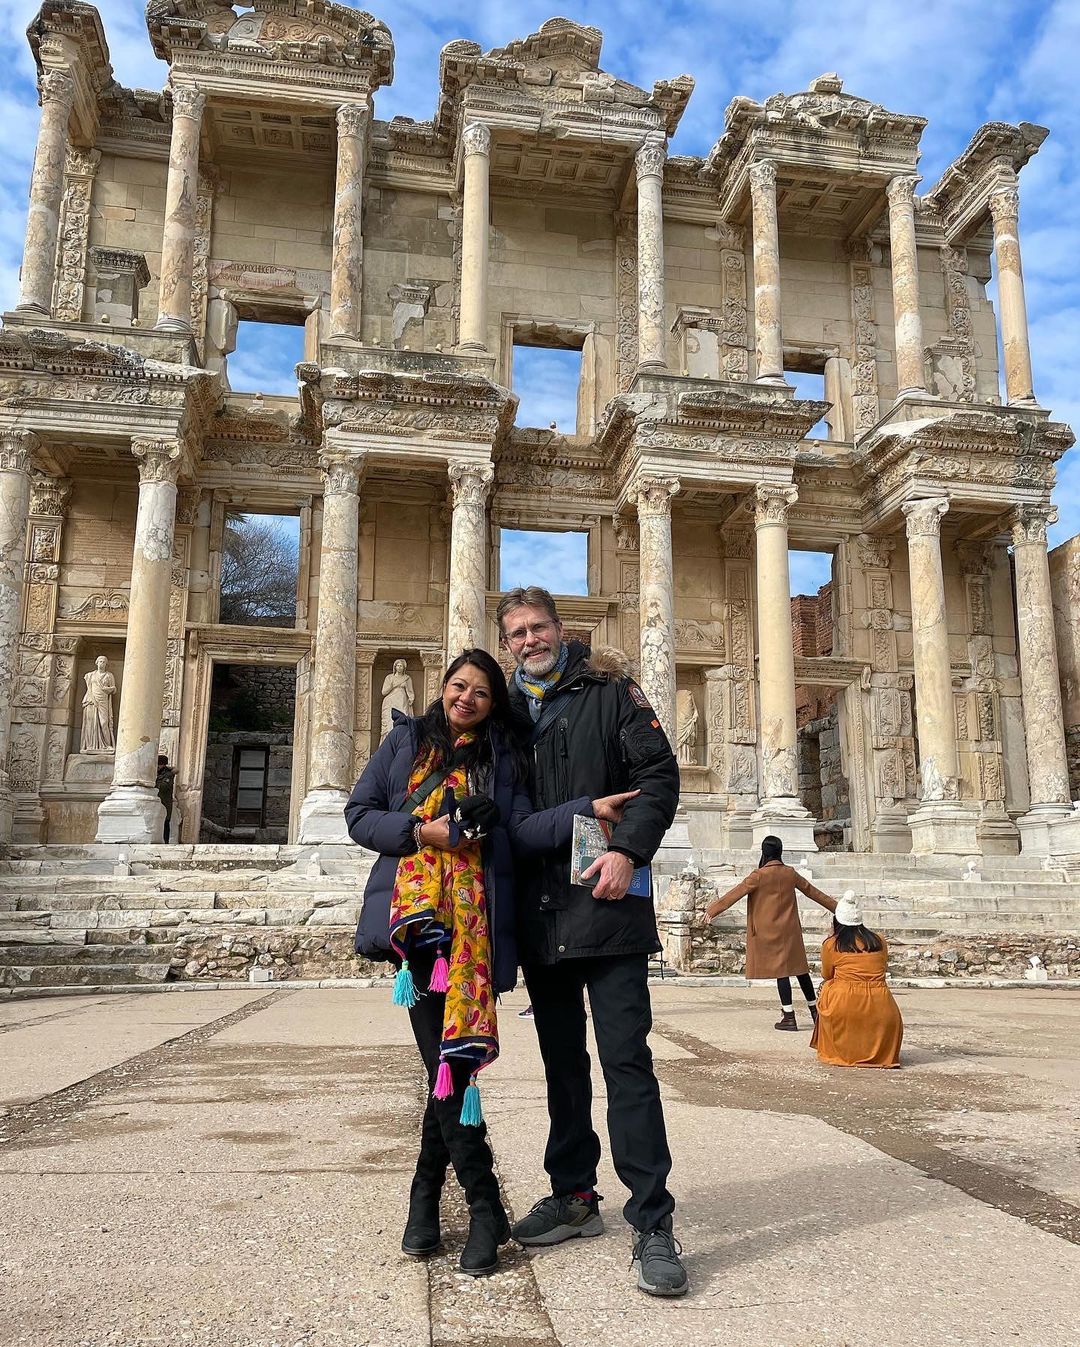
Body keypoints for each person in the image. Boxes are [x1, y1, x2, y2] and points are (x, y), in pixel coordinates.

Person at [344, 648, 636, 1278]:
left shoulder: (505, 755)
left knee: (444, 1069)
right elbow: (359, 816)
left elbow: (523, 830)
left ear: (493, 702)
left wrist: (579, 808)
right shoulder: (404, 743)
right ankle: (484, 1206)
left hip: (475, 927)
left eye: (480, 691)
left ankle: (425, 1201)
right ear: (442, 687)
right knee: (447, 1066)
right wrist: (422, 834)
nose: (467, 698)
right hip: (417, 927)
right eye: (458, 686)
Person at [496, 585, 687, 1299]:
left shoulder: (612, 692)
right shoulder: (504, 711)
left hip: (607, 909)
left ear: (560, 628)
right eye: (517, 632)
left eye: (538, 627)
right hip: (542, 914)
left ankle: (653, 1221)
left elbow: (658, 776)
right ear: (507, 643)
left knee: (627, 1063)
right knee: (562, 1066)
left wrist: (629, 852)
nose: (530, 640)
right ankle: (574, 1194)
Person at [704, 834, 837, 1030]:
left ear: (764, 853)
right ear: (780, 852)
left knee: (781, 972)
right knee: (800, 970)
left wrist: (712, 910)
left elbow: (735, 894)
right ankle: (815, 1012)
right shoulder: (790, 873)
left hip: (769, 931)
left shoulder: (759, 875)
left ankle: (789, 1016)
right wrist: (838, 908)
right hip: (790, 930)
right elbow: (813, 892)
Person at [811, 890, 903, 1068]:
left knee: (826, 986)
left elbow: (827, 975)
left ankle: (841, 1047)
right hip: (882, 1006)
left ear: (837, 921)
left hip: (844, 1003)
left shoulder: (831, 944)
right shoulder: (879, 940)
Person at [80, 655, 116, 753]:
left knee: (104, 723)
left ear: (106, 664)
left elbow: (114, 689)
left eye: (104, 662)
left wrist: (107, 689)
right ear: (96, 663)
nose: (102, 663)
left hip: (103, 701)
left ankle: (107, 745)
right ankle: (90, 745)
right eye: (100, 661)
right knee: (90, 723)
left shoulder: (109, 675)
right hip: (91, 700)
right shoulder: (90, 675)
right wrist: (93, 699)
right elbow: (89, 688)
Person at [380, 658, 415, 739]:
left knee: (402, 720)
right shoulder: (389, 677)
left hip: (402, 701)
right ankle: (387, 740)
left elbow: (410, 691)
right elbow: (383, 692)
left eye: (401, 666)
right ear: (395, 667)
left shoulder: (407, 678)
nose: (399, 667)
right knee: (389, 722)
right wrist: (392, 686)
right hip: (390, 701)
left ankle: (401, 740)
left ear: (404, 668)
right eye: (398, 666)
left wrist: (411, 698)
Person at [156, 754, 176, 843]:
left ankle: (166, 841)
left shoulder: (168, 775)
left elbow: (164, 787)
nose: (157, 766)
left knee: (166, 822)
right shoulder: (156, 773)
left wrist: (154, 783)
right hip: (157, 801)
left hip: (165, 802)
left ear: (163, 765)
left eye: (159, 764)